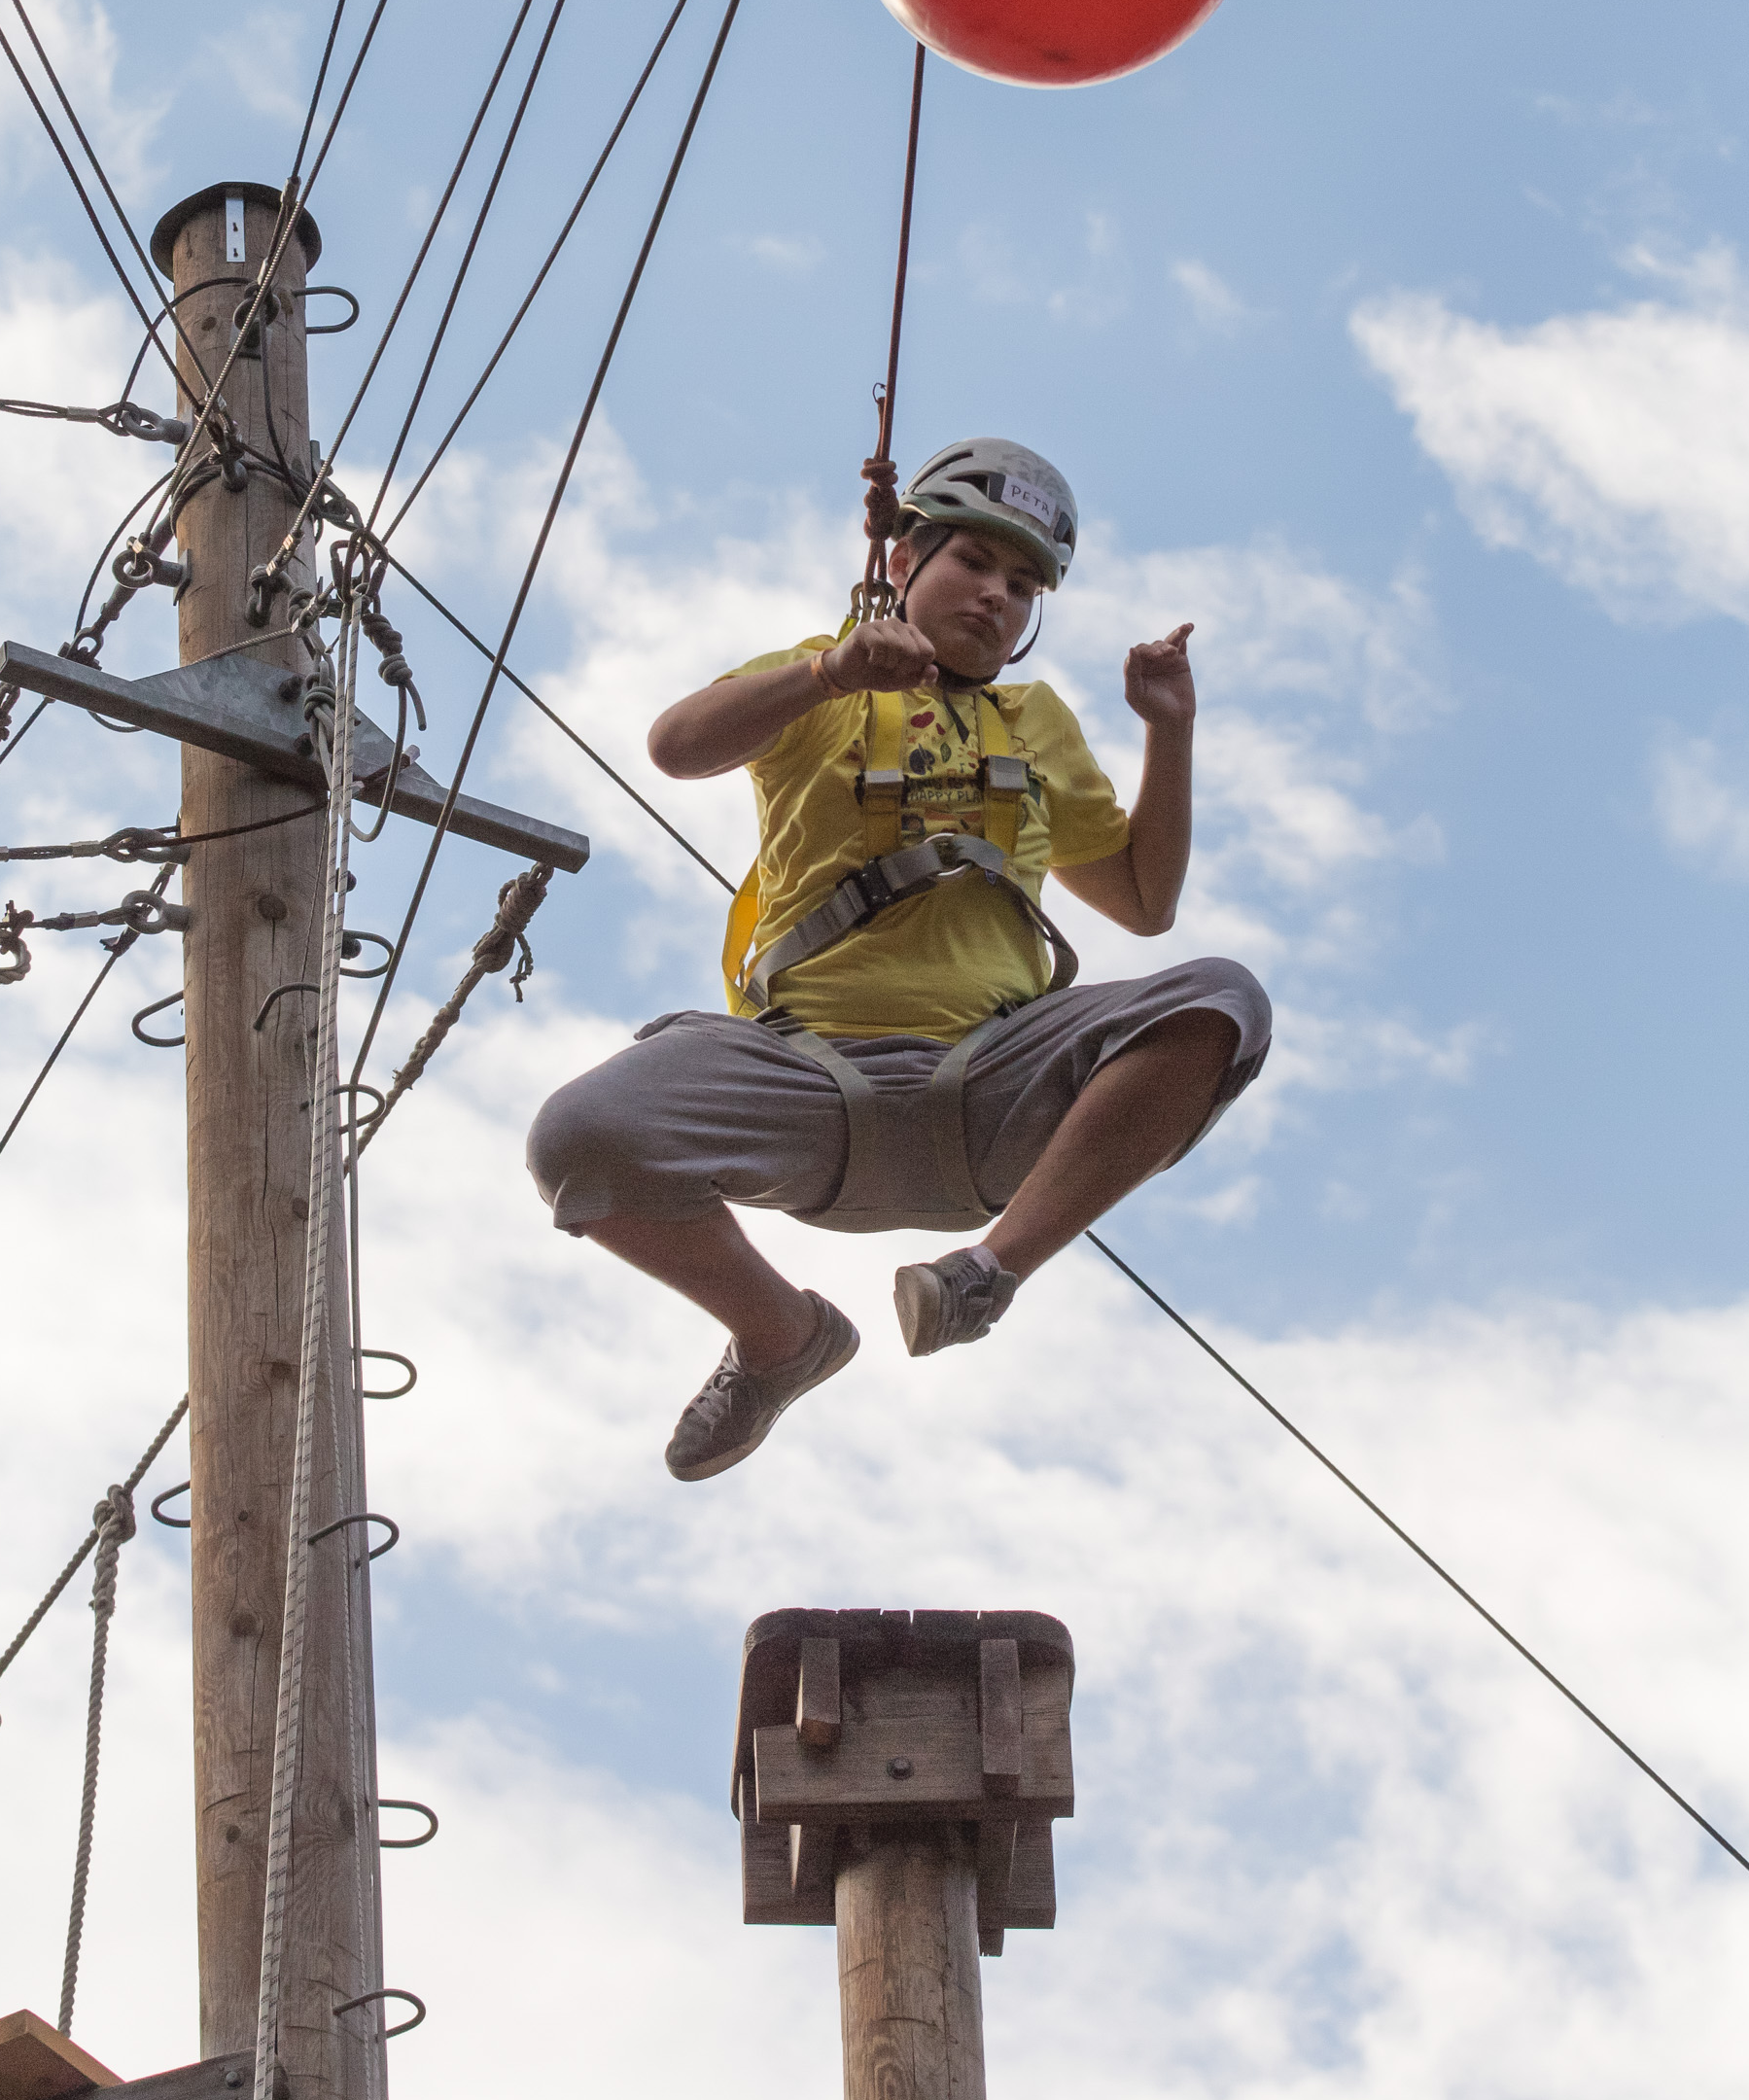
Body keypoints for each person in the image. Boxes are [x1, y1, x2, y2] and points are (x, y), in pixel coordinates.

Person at [527, 438, 1272, 1481]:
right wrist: (829, 670)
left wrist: (1170, 735)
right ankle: (782, 1338)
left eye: (1021, 586)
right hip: (809, 1075)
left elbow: (1144, 905)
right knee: (579, 1136)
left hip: (989, 1080)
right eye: (971, 562)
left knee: (1220, 1000)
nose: (995, 598)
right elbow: (676, 746)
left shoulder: (1035, 723)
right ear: (902, 563)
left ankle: (982, 1277)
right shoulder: (815, 679)